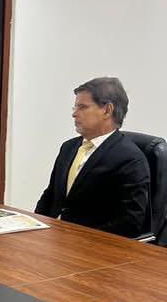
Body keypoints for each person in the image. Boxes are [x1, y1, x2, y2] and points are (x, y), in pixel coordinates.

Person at [35, 76, 150, 237]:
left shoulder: (130, 159)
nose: (74, 114)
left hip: (91, 243)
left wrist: (80, 239)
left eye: (82, 107)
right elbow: (50, 195)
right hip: (54, 237)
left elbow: (130, 222)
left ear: (107, 110)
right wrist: (36, 226)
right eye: (75, 107)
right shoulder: (68, 147)